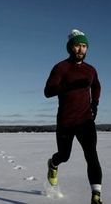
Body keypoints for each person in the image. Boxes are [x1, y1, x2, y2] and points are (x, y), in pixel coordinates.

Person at [44, 29, 103, 204]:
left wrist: (95, 103)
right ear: (71, 47)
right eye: (78, 45)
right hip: (66, 121)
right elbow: (47, 91)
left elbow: (97, 85)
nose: (81, 49)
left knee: (91, 155)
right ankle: (53, 164)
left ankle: (96, 196)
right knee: (64, 155)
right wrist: (67, 86)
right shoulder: (61, 67)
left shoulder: (91, 70)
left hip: (86, 120)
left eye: (84, 46)